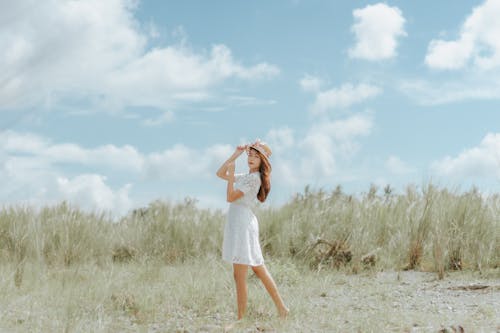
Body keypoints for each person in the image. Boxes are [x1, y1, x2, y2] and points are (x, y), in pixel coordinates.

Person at [216, 139, 289, 323]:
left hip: (242, 224)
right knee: (258, 268)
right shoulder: (247, 177)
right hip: (241, 222)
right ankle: (282, 309)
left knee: (240, 274)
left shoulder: (253, 179)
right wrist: (236, 154)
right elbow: (220, 173)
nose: (251, 158)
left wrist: (232, 174)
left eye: (256, 156)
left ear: (262, 161)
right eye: (250, 154)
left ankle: (241, 320)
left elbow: (230, 197)